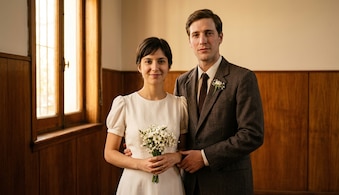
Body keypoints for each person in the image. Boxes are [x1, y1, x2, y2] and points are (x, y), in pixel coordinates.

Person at [173, 9, 264, 195]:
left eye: (208, 33)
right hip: (189, 183)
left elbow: (252, 134)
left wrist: (205, 157)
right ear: (189, 41)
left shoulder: (242, 78)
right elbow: (175, 129)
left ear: (220, 37)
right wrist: (142, 148)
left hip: (228, 184)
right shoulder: (182, 82)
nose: (202, 40)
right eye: (195, 35)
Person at [104, 37, 188, 195]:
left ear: (169, 66)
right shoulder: (125, 103)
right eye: (148, 61)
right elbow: (109, 152)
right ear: (139, 66)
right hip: (135, 183)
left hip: (169, 183)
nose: (155, 67)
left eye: (161, 61)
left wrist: (176, 157)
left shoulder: (179, 105)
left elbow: (185, 148)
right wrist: (139, 164)